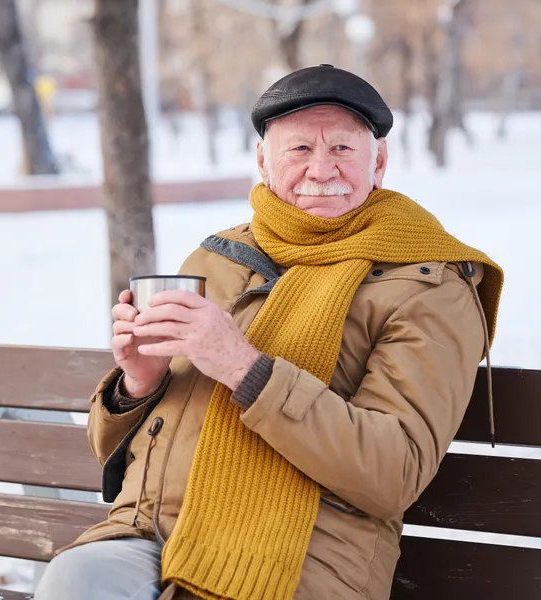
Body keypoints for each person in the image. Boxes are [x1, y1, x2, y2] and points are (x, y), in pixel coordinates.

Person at [34, 64, 504, 600]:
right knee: (73, 580)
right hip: (150, 534)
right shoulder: (218, 258)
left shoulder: (428, 283)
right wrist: (138, 385)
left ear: (379, 163)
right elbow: (110, 452)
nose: (321, 168)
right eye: (299, 149)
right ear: (264, 161)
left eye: (344, 149)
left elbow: (393, 472)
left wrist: (244, 367)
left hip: (298, 554)